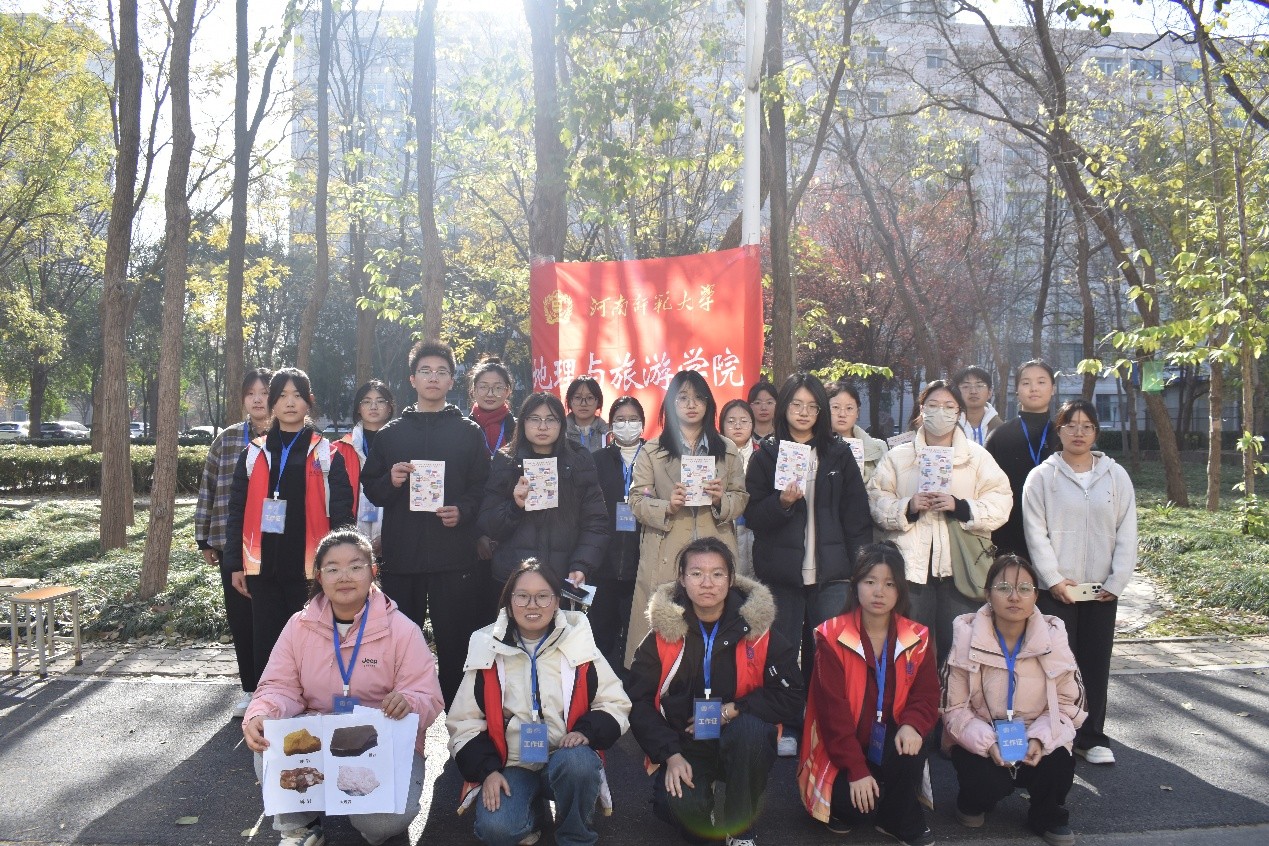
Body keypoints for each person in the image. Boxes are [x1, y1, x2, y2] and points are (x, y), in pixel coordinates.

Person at [242, 530, 445, 846]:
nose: (344, 576)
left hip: (381, 744)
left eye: (355, 566)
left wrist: (408, 701)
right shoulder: (299, 626)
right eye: (333, 568)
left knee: (383, 824)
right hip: (320, 738)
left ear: (373, 571)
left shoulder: (402, 629)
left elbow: (427, 694)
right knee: (270, 734)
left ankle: (363, 816)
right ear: (319, 577)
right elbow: (278, 686)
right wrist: (260, 713)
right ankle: (301, 826)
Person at [627, 538, 803, 846]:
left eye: (717, 574)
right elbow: (638, 702)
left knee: (751, 731)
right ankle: (701, 800)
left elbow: (791, 695)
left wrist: (733, 710)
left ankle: (740, 828)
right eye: (696, 574)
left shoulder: (758, 630)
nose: (707, 583)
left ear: (731, 579)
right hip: (685, 743)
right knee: (678, 815)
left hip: (740, 736)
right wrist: (671, 755)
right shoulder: (662, 634)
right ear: (682, 579)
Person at [447, 561, 631, 846]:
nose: (532, 605)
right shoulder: (486, 646)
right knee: (497, 830)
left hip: (563, 757)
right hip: (511, 764)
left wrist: (586, 732)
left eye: (543, 596)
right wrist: (488, 771)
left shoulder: (578, 642)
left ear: (557, 601)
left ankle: (574, 834)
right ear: (509, 602)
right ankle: (531, 812)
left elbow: (615, 702)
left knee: (579, 763)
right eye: (522, 596)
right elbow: (463, 721)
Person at [744, 373, 873, 756]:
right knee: (782, 652)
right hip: (782, 574)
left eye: (812, 406)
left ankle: (824, 724)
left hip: (831, 574)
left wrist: (859, 568)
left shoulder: (838, 453)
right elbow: (754, 516)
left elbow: (856, 516)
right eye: (796, 405)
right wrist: (781, 503)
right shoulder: (767, 454)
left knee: (827, 654)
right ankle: (788, 723)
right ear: (785, 407)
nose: (803, 413)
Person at [361, 340, 492, 707]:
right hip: (404, 556)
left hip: (455, 556)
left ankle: (460, 721)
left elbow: (483, 486)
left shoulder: (468, 432)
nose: (433, 378)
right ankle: (402, 720)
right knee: (401, 644)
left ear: (452, 381)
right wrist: (391, 480)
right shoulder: (391, 434)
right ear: (412, 379)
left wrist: (462, 511)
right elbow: (371, 487)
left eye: (441, 372)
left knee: (457, 643)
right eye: (425, 371)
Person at [224, 367, 355, 694]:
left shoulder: (327, 453)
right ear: (272, 402)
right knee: (267, 639)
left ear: (309, 401)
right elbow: (236, 510)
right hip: (262, 567)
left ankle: (312, 703)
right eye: (281, 395)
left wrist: (340, 563)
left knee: (312, 639)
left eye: (297, 395)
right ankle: (267, 702)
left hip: (310, 569)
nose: (290, 402)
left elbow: (342, 513)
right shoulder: (253, 452)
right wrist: (235, 563)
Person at [798, 542, 938, 846]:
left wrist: (912, 724)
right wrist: (857, 770)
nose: (879, 592)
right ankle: (865, 799)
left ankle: (895, 819)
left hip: (888, 737)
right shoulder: (831, 636)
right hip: (839, 746)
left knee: (911, 744)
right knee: (849, 808)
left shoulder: (917, 637)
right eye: (870, 581)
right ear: (855, 585)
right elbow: (832, 716)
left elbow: (926, 695)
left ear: (900, 589)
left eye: (889, 584)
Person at [943, 554, 1087, 846]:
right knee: (983, 783)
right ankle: (972, 801)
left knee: (1059, 763)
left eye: (1024, 589)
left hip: (1037, 730)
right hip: (984, 731)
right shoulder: (965, 636)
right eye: (1004, 588)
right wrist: (988, 743)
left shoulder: (1053, 637)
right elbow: (953, 708)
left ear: (1036, 595)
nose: (1014, 597)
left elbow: (1069, 705)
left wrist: (1039, 739)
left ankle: (1046, 814)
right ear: (987, 594)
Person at [1023, 399, 1137, 766]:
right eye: (1070, 425)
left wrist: (1117, 581)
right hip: (1056, 590)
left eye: (1087, 426)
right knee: (1055, 664)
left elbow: (1127, 531)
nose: (1079, 432)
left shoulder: (1116, 476)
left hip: (1101, 591)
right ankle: (1056, 734)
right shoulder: (1042, 477)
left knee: (1094, 663)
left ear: (1096, 432)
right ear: (1058, 430)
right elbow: (1035, 532)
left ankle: (1091, 737)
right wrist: (1053, 578)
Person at [867, 379, 1012, 665]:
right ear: (921, 410)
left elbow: (1001, 502)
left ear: (959, 412)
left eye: (948, 406)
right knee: (909, 650)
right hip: (910, 571)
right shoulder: (898, 456)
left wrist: (961, 507)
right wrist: (908, 506)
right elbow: (876, 500)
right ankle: (910, 696)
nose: (940, 412)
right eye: (932, 405)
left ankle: (954, 696)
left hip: (960, 571)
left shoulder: (977, 457)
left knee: (959, 651)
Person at [625, 370, 749, 667]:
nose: (691, 404)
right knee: (663, 639)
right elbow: (636, 501)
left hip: (715, 548)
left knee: (714, 630)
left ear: (708, 404)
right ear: (671, 404)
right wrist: (666, 505)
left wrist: (720, 500)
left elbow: (741, 497)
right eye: (682, 398)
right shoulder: (652, 451)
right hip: (666, 551)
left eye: (698, 398)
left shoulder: (727, 450)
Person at [195, 367, 271, 718]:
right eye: (250, 393)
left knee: (275, 620)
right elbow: (208, 489)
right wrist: (204, 539)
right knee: (242, 620)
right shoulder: (226, 440)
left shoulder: (287, 437)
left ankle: (279, 690)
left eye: (264, 392)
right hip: (233, 545)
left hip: (274, 546)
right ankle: (251, 689)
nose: (258, 399)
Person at [477, 392, 609, 587]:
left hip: (563, 576)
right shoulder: (506, 460)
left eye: (551, 419)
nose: (542, 426)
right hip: (514, 577)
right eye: (534, 419)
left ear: (562, 424)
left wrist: (581, 564)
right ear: (522, 422)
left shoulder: (579, 459)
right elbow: (488, 525)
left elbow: (595, 521)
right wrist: (514, 507)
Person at [984, 360, 1060, 563]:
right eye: (1026, 383)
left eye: (1041, 382)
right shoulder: (999, 436)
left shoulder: (1065, 436)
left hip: (1057, 534)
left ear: (1053, 388)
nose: (1034, 388)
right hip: (1009, 535)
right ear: (1017, 390)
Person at [590, 396, 648, 664]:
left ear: (643, 423)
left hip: (643, 560)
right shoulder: (597, 460)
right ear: (611, 424)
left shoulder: (654, 457)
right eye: (620, 420)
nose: (627, 425)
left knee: (639, 637)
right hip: (604, 563)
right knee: (602, 635)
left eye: (633, 419)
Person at [468, 356, 517, 579]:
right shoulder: (462, 429)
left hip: (512, 529)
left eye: (498, 387)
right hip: (470, 529)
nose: (490, 393)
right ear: (473, 390)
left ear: (508, 391)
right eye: (484, 387)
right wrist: (477, 534)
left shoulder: (520, 430)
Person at [332, 380, 395, 555]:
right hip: (349, 538)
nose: (373, 406)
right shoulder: (339, 449)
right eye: (366, 401)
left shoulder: (401, 446)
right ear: (358, 408)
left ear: (389, 408)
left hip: (393, 536)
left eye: (380, 401)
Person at [719, 399, 758, 578]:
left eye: (744, 421)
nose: (737, 426)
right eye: (731, 421)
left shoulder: (763, 453)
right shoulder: (711, 456)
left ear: (752, 424)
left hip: (754, 529)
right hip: (724, 526)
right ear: (722, 424)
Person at [826, 381, 888, 484]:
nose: (842, 414)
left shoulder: (879, 447)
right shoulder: (813, 447)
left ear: (857, 412)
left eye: (849, 408)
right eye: (835, 407)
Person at [953, 366, 1004, 447]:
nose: (973, 391)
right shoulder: (947, 427)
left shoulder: (1002, 430)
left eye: (979, 386)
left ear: (990, 392)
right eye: (966, 386)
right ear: (956, 392)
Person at [564, 376, 609, 453]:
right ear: (570, 401)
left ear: (598, 401)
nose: (583, 404)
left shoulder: (608, 434)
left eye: (590, 398)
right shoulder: (560, 433)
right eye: (578, 397)